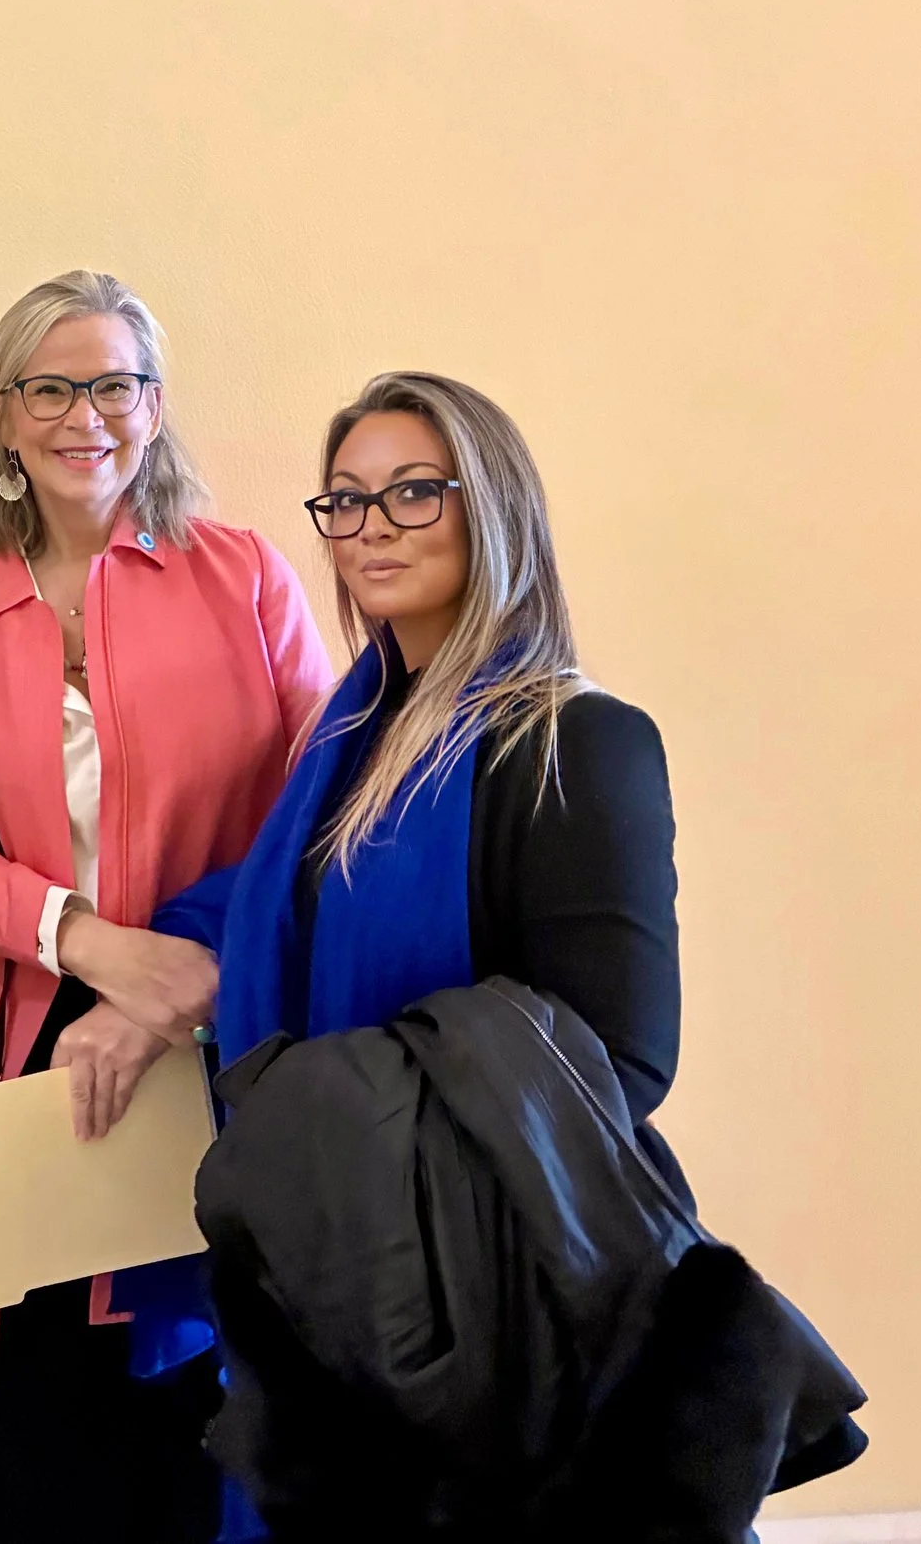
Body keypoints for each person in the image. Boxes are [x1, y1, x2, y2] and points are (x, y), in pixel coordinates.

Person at [160, 370, 688, 1538]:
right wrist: (123, 969)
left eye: (411, 494)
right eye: (343, 501)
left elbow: (623, 1055)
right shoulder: (346, 740)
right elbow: (265, 908)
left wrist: (327, 1104)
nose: (368, 529)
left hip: (483, 1287)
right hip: (325, 1266)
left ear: (489, 505)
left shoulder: (575, 743)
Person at [0, 270, 333, 1543]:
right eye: (51, 387)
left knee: (203, 1458)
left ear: (154, 403)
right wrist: (89, 946)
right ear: (4, 414)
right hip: (19, 1090)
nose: (88, 415)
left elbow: (328, 817)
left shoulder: (243, 576)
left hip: (216, 1062)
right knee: (37, 1469)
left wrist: (162, 992)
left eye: (115, 384)